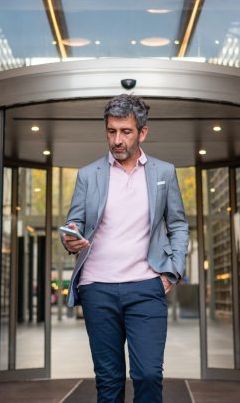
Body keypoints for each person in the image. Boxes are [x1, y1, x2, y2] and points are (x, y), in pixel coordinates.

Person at [60, 94, 189, 403]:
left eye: (125, 132)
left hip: (147, 285)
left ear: (142, 132)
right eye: (111, 131)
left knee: (147, 376)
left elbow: (179, 224)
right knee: (108, 381)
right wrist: (69, 237)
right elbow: (73, 223)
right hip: (97, 288)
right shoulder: (89, 175)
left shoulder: (163, 173)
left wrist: (173, 271)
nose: (117, 140)